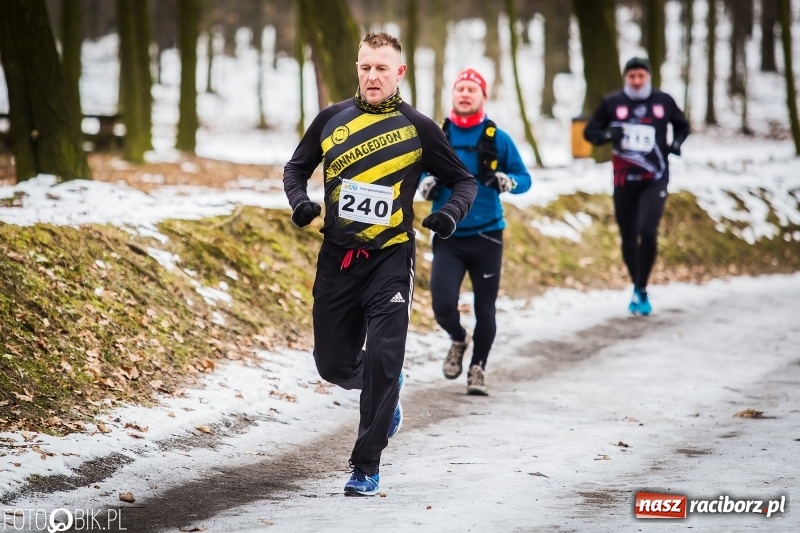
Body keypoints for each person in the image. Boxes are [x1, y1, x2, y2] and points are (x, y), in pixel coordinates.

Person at [283, 32, 477, 497]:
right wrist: (300, 203)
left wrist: (449, 215)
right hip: (337, 259)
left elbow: (464, 182)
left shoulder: (420, 128)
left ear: (399, 73)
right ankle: (381, 385)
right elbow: (295, 168)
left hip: (390, 258)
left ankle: (365, 466)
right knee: (331, 365)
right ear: (358, 68)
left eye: (382, 68)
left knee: (385, 360)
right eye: (366, 67)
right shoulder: (331, 119)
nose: (373, 76)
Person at [417, 68, 531, 396]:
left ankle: (477, 367)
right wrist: (425, 184)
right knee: (441, 304)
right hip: (448, 235)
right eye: (460, 89)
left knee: (485, 309)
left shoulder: (498, 139)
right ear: (453, 95)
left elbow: (525, 178)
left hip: (488, 235)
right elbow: (418, 172)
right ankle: (457, 338)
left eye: (472, 89)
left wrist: (509, 182)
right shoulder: (437, 136)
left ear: (483, 97)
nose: (465, 94)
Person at [583, 57, 689, 316]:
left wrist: (676, 144)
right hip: (623, 179)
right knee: (628, 235)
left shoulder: (663, 101)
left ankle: (641, 286)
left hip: (655, 177)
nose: (637, 81)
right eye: (632, 76)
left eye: (641, 76)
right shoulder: (613, 102)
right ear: (625, 78)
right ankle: (637, 285)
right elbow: (590, 132)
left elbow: (683, 125)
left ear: (649, 77)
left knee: (649, 229)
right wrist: (608, 135)